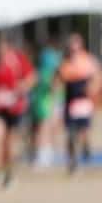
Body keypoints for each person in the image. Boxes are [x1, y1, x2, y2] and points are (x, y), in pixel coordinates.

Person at [0, 35, 36, 188]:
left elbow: (31, 77)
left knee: (10, 143)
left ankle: (10, 173)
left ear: (7, 46)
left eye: (1, 47)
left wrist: (21, 88)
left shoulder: (17, 60)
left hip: (14, 107)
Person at [56, 32, 102, 174]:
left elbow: (100, 77)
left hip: (83, 101)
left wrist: (93, 88)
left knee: (84, 131)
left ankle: (86, 147)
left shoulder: (88, 60)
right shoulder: (65, 63)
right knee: (70, 134)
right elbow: (58, 81)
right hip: (70, 102)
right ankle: (72, 162)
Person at [30, 40, 63, 168]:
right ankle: (45, 151)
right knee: (44, 126)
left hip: (48, 101)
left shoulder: (46, 70)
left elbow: (56, 86)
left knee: (47, 126)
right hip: (43, 101)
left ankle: (48, 151)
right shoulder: (42, 70)